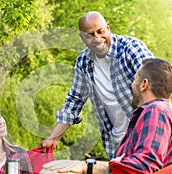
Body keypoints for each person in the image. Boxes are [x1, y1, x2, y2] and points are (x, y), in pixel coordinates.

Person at [38, 58, 172, 174]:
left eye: (135, 80)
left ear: (144, 84)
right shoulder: (151, 113)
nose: (132, 84)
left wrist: (86, 166)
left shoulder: (157, 112)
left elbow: (143, 167)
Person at [40, 11, 154, 159]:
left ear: (108, 27)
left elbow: (156, 80)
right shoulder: (83, 62)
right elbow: (75, 100)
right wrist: (53, 137)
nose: (97, 39)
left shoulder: (130, 49)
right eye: (89, 35)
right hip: (118, 144)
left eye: (100, 31)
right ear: (82, 38)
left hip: (146, 138)